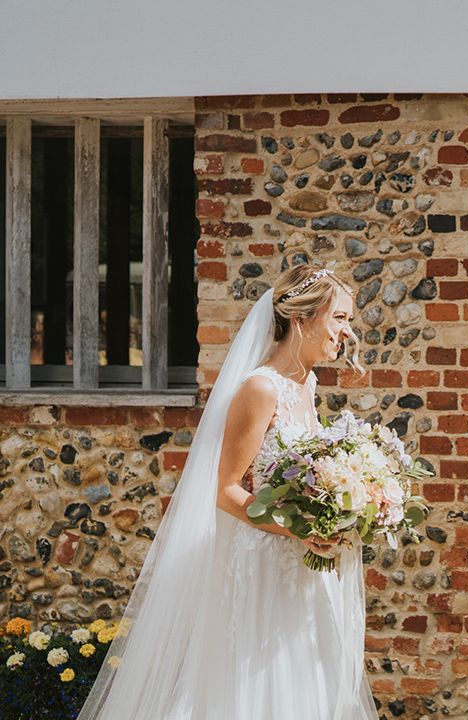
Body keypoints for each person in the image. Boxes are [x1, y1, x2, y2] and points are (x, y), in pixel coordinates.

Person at [77, 264, 378, 720]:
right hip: (261, 565)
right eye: (339, 318)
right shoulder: (260, 388)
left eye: (347, 321)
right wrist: (296, 530)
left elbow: (303, 475)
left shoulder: (305, 383)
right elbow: (226, 491)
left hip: (299, 566)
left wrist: (338, 505)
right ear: (301, 319)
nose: (347, 332)